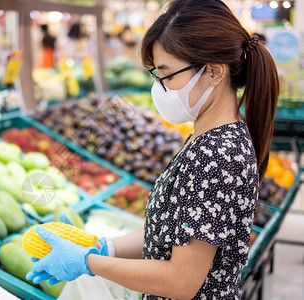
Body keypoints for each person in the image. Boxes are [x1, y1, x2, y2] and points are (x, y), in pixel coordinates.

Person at [25, 0, 279, 299]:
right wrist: (104, 246)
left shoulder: (218, 154)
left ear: (214, 72)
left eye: (167, 74)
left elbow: (181, 281)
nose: (160, 87)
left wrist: (88, 262)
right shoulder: (208, 139)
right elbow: (171, 234)